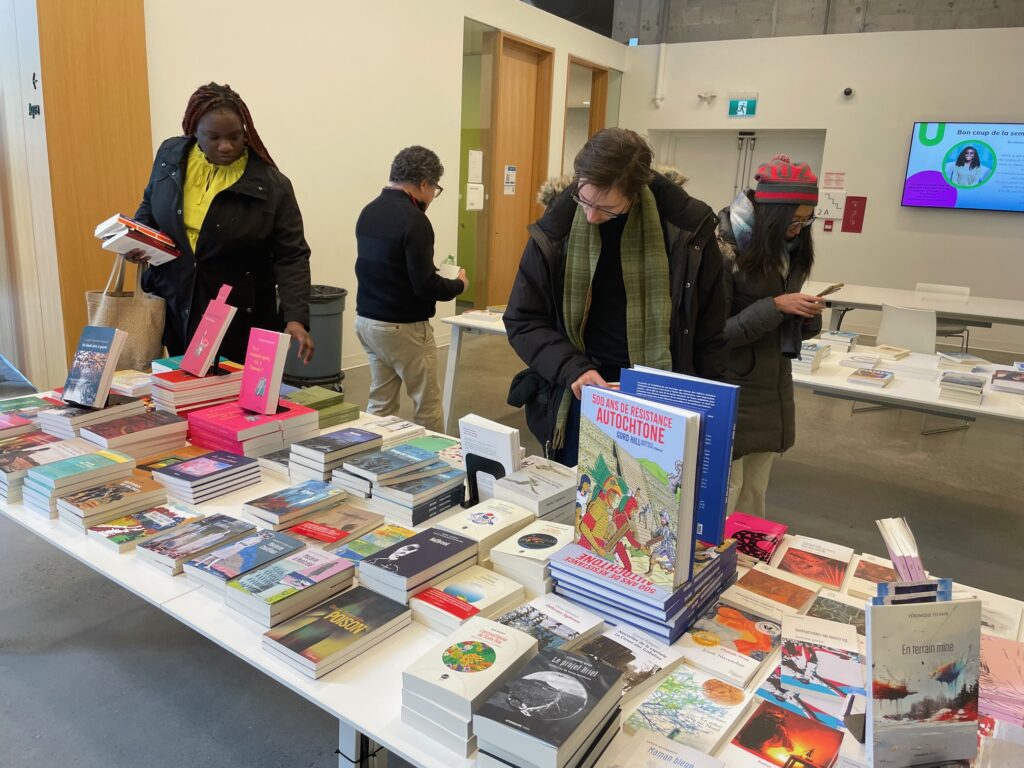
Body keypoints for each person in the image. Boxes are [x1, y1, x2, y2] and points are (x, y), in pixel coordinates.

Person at [504, 128, 727, 466]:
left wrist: (710, 410)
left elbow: (710, 331)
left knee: (652, 502)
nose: (591, 215)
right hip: (582, 392)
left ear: (636, 193)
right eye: (584, 199)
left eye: (606, 207)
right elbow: (523, 319)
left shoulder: (687, 230)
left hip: (661, 399)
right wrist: (572, 368)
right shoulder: (556, 230)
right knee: (583, 505)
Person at [127, 82, 314, 366]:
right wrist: (139, 239)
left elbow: (292, 256)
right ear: (194, 131)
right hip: (176, 303)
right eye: (213, 137)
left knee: (229, 400)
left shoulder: (271, 185)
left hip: (239, 315)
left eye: (235, 137)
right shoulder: (170, 157)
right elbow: (150, 203)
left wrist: (296, 319)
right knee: (180, 393)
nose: (226, 146)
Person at [718, 154, 823, 518]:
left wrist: (805, 317)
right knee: (725, 491)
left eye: (807, 218)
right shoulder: (725, 249)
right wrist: (776, 306)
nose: (801, 227)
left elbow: (778, 320)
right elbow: (714, 335)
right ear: (772, 214)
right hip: (730, 387)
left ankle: (748, 564)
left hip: (770, 386)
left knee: (755, 492)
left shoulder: (788, 251)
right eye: (794, 219)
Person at [354, 146, 467, 433]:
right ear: (424, 183)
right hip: (404, 328)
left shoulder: (369, 211)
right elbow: (425, 285)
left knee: (380, 402)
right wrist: (458, 284)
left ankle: (370, 459)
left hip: (368, 322)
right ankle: (435, 467)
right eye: (434, 189)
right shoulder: (415, 220)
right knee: (427, 405)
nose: (432, 197)